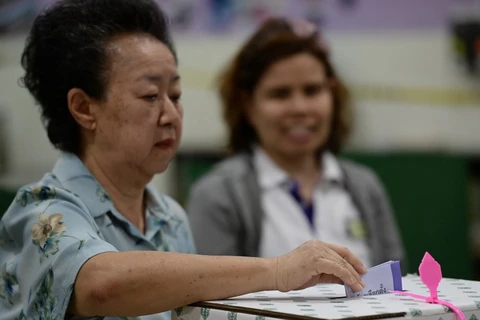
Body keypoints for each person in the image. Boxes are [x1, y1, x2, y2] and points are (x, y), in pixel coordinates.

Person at [0, 1, 367, 319]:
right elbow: (100, 284)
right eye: (149, 96)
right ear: (83, 108)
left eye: (174, 95)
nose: (170, 115)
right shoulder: (42, 210)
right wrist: (277, 271)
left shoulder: (170, 218)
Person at [186, 18, 406, 269]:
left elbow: (394, 288)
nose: (300, 108)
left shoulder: (365, 188)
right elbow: (214, 299)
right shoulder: (218, 195)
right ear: (248, 104)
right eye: (280, 94)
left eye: (312, 91)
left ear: (331, 94)